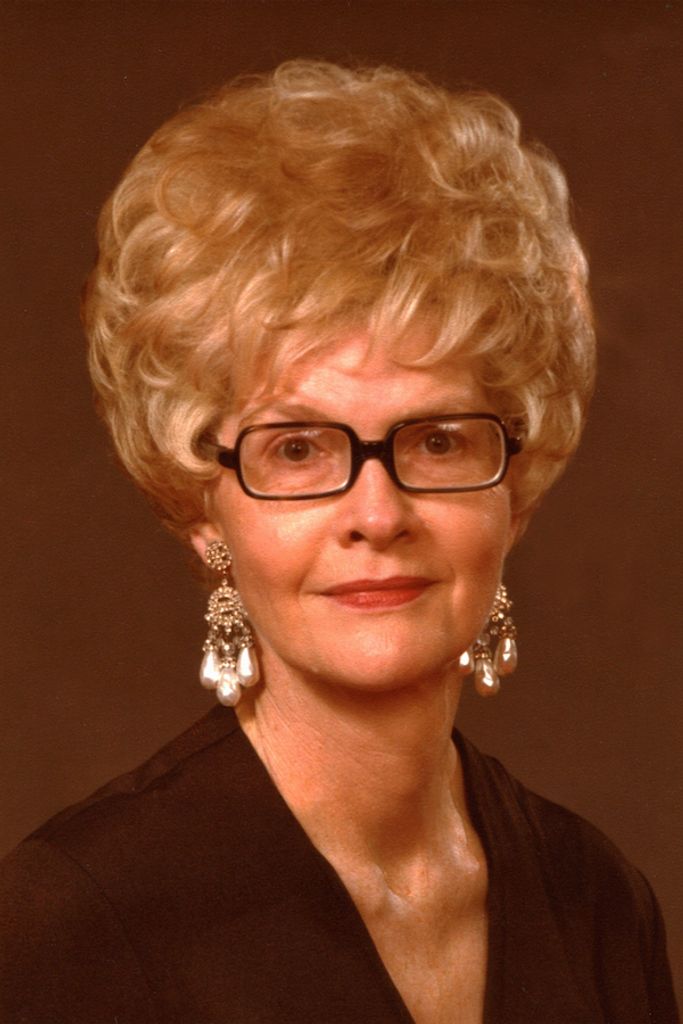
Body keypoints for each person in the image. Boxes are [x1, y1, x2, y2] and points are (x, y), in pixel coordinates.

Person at [0, 60, 677, 1024]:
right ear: (203, 509)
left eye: (435, 441)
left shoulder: (596, 901)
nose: (376, 512)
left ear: (516, 493)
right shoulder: (71, 921)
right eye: (297, 449)